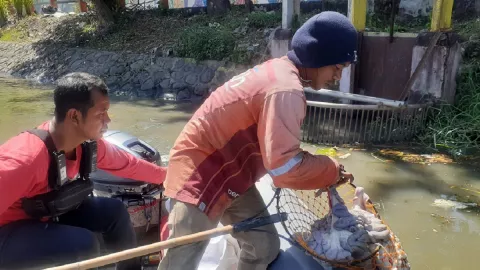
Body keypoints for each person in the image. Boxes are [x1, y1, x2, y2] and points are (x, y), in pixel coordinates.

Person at [159, 11, 357, 270]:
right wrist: (330, 169)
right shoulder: (286, 90)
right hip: (201, 173)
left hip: (232, 174)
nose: (337, 77)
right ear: (318, 56)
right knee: (181, 262)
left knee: (263, 247)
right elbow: (285, 169)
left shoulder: (280, 72)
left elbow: (279, 155)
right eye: (338, 67)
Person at [0, 72, 167, 270]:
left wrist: (171, 177)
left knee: (115, 212)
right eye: (101, 113)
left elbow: (129, 164)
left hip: (45, 215)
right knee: (83, 244)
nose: (108, 120)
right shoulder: (26, 158)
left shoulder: (87, 146)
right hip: (8, 233)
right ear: (74, 116)